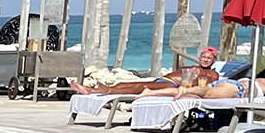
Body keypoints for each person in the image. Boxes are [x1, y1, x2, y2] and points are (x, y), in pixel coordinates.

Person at [69, 47, 220, 96]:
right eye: (203, 57)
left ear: (213, 60)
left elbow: (204, 84)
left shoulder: (212, 74)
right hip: (164, 81)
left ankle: (104, 91)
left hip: (173, 87)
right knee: (125, 82)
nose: (205, 60)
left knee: (140, 87)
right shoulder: (193, 67)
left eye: (209, 58)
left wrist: (193, 78)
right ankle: (92, 90)